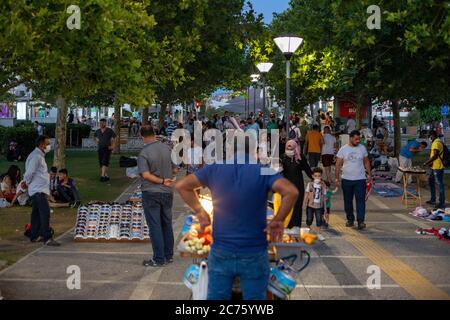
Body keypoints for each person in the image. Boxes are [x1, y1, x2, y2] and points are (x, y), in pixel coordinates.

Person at [175, 142, 299, 300]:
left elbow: (182, 186)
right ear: (254, 152)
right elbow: (291, 192)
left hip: (221, 251)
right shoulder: (263, 170)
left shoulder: (215, 168)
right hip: (254, 252)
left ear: (228, 152)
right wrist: (277, 220)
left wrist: (200, 212)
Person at [138, 125, 177, 267]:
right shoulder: (167, 148)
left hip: (151, 192)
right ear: (154, 133)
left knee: (155, 226)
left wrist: (161, 180)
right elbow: (176, 168)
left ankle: (159, 258)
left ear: (142, 136)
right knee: (167, 224)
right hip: (167, 192)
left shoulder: (144, 152)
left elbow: (146, 174)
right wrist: (168, 178)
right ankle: (169, 255)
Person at [24, 135, 60, 246]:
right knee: (45, 214)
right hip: (38, 191)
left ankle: (34, 235)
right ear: (41, 145)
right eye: (47, 144)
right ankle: (47, 238)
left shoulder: (39, 155)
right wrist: (27, 182)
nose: (49, 146)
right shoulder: (36, 157)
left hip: (38, 190)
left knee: (36, 215)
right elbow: (30, 172)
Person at [335, 130, 372, 230]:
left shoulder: (362, 148)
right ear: (350, 138)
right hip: (346, 179)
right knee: (348, 201)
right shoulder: (343, 149)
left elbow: (366, 162)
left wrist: (369, 174)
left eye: (359, 139)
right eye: (356, 139)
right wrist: (337, 178)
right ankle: (350, 219)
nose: (358, 141)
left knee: (360, 201)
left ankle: (361, 221)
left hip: (360, 179)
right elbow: (338, 164)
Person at [281, 140, 313, 229]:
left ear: (295, 147)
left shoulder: (300, 158)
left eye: (291, 147)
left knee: (297, 206)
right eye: (287, 147)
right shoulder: (283, 157)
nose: (289, 149)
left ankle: (296, 226)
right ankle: (287, 225)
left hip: (298, 185)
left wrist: (316, 179)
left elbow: (308, 170)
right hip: (286, 186)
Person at [424, 130, 446, 209]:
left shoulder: (436, 143)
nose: (429, 138)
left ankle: (442, 202)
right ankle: (433, 199)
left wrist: (426, 162)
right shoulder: (437, 142)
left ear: (432, 135)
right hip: (434, 167)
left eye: (429, 136)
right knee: (431, 182)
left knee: (440, 185)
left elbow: (435, 155)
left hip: (438, 167)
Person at [304, 167, 327, 241]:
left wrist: (325, 208)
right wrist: (304, 204)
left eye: (319, 176)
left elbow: (324, 197)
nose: (317, 177)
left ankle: (319, 233)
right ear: (313, 176)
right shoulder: (310, 184)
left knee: (319, 219)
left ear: (321, 177)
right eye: (316, 176)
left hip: (319, 206)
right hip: (310, 205)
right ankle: (308, 228)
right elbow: (306, 194)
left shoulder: (323, 186)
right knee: (309, 219)